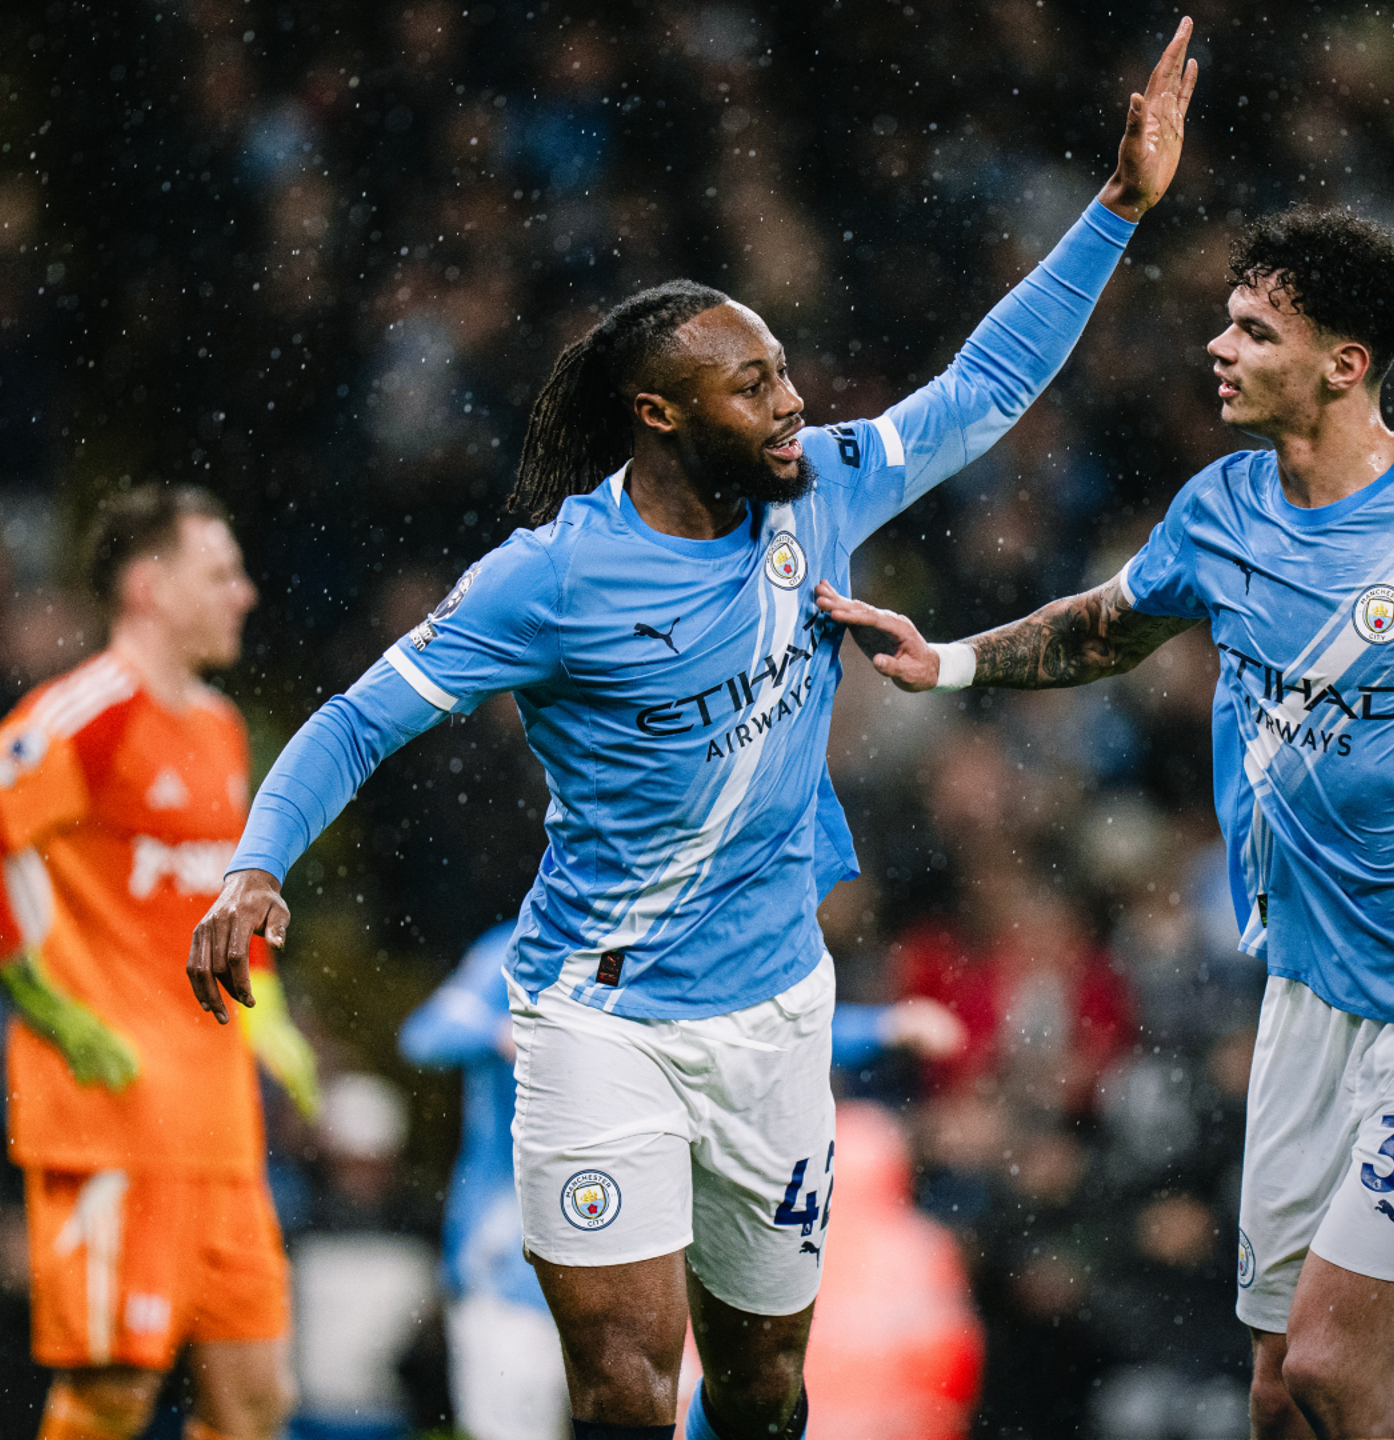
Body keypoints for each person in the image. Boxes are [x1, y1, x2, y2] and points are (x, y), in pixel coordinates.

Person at [187, 23, 1196, 1439]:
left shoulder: (821, 489)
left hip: (778, 1011)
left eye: (786, 375)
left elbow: (980, 394)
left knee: (767, 1384)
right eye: (756, 388)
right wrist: (255, 863)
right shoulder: (549, 578)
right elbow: (356, 722)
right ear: (659, 414)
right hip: (601, 1020)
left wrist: (1116, 213)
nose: (794, 406)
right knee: (621, 1387)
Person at [817, 205, 1394, 1438]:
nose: (1217, 348)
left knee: (1341, 1374)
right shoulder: (1220, 505)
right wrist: (950, 664)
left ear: (1344, 363)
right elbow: (1104, 628)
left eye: (1253, 329)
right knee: (1279, 1397)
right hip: (1307, 1002)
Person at [0, 486, 323, 1440]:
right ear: (148, 586)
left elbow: (214, 909)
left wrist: (269, 1020)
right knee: (111, 1398)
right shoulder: (98, 709)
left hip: (218, 1129)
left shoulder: (221, 728)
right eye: (220, 573)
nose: (247, 593)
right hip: (115, 1120)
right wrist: (40, 997)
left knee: (256, 1399)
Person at [399, 922, 964, 1440]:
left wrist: (884, 1024)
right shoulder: (530, 944)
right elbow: (427, 1034)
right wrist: (504, 1032)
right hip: (511, 1267)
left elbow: (771, 1035)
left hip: (640, 1269)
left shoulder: (680, 941)